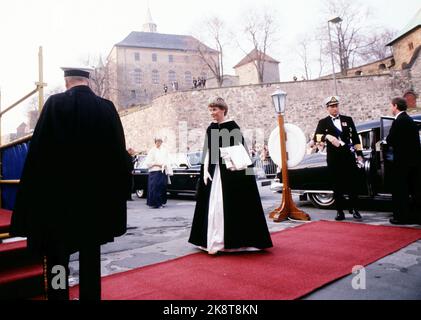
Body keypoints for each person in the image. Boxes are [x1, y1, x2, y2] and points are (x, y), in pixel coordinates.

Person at [10, 66, 131, 300]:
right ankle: (90, 296)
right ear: (88, 82)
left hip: (60, 202)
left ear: (67, 82)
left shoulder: (55, 105)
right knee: (90, 255)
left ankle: (58, 296)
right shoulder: (107, 108)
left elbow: (39, 155)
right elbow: (118, 155)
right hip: (95, 203)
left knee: (57, 256)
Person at [188, 97, 273, 254]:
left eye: (215, 109)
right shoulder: (210, 128)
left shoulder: (232, 127)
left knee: (229, 205)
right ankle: (214, 240)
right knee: (214, 206)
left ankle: (233, 240)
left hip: (231, 174)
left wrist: (223, 152)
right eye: (210, 110)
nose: (212, 113)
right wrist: (205, 169)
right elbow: (207, 150)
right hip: (215, 172)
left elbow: (240, 151)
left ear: (223, 110)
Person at [313, 96, 364, 221]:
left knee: (352, 184)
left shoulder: (348, 119)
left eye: (336, 106)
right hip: (334, 158)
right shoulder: (323, 122)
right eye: (332, 106)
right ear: (327, 108)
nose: (335, 108)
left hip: (348, 156)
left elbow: (356, 138)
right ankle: (340, 211)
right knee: (337, 185)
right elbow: (316, 137)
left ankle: (355, 209)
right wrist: (327, 137)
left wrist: (359, 154)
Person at [386, 97, 421, 225]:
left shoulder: (399, 121)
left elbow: (390, 140)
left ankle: (400, 217)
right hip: (414, 162)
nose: (391, 108)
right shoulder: (410, 120)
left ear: (395, 106)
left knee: (400, 191)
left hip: (402, 162)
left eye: (391, 106)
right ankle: (416, 216)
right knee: (414, 190)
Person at [144, 138, 171, 208]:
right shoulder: (152, 151)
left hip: (162, 171)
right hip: (154, 171)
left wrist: (166, 166)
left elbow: (167, 159)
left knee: (162, 187)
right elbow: (148, 162)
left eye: (160, 141)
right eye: (157, 141)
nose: (159, 143)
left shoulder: (164, 150)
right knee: (154, 188)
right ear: (155, 142)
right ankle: (155, 204)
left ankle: (161, 202)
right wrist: (157, 164)